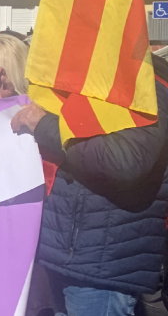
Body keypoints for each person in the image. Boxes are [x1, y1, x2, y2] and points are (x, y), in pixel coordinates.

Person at [11, 55, 168, 316]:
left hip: (100, 262)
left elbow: (125, 161)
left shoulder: (144, 82)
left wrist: (43, 125)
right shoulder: (92, 77)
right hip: (68, 254)